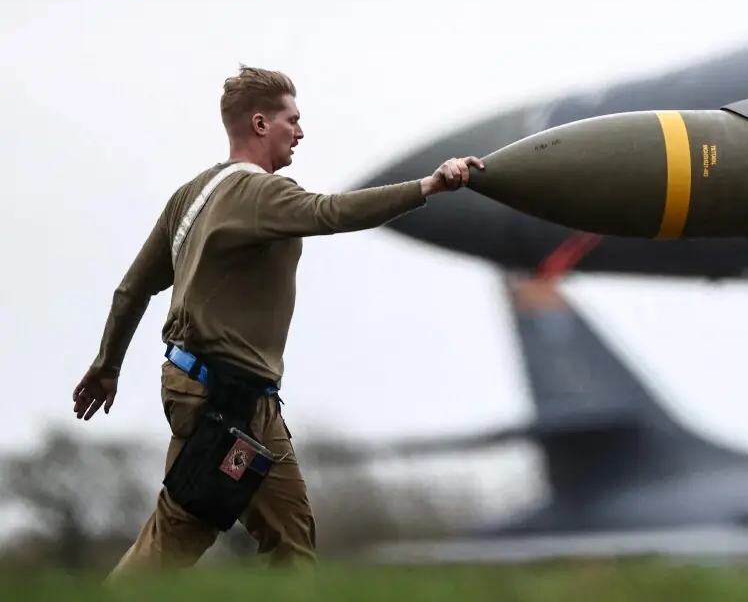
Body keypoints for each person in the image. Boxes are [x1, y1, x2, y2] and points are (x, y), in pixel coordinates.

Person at [70, 65, 485, 575]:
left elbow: (132, 289)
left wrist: (107, 364)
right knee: (226, 537)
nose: (301, 131)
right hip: (229, 401)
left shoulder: (190, 196)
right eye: (293, 119)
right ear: (261, 124)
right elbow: (333, 211)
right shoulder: (262, 194)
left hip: (206, 388)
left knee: (249, 536)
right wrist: (428, 186)